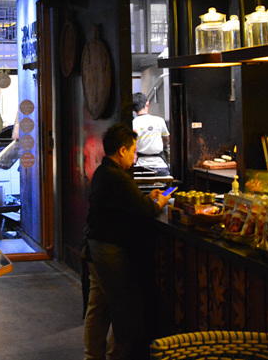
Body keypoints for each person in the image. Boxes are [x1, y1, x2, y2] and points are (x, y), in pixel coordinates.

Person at [83, 123, 170, 360]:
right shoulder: (116, 176)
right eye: (133, 151)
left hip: (95, 245)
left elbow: (128, 202)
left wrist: (146, 197)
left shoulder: (104, 171)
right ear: (122, 150)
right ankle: (115, 356)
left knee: (98, 307)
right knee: (124, 309)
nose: (135, 156)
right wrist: (160, 201)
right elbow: (148, 210)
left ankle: (92, 356)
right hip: (109, 251)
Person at [131, 92, 170, 176]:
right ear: (147, 103)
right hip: (160, 165)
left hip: (141, 166)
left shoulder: (132, 124)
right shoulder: (159, 121)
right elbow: (166, 139)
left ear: (133, 109)